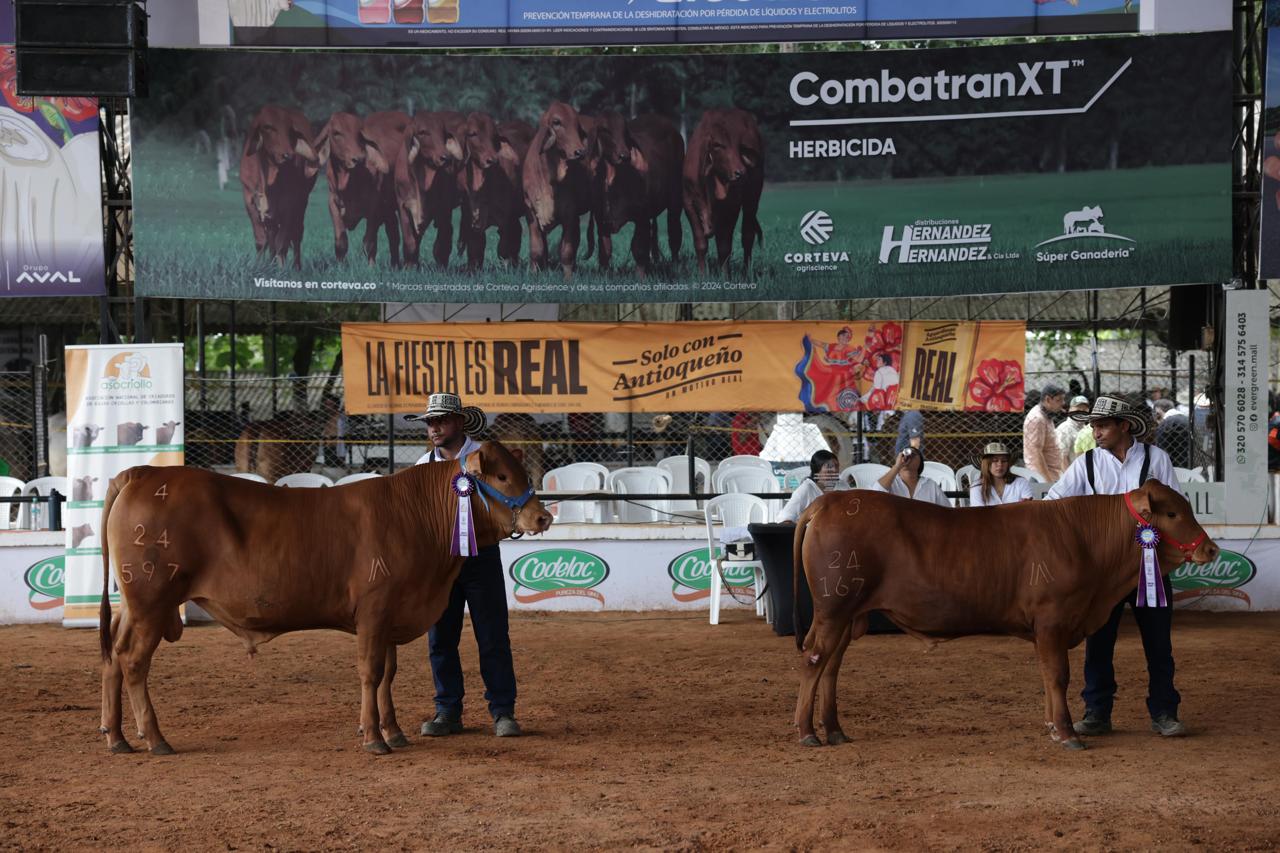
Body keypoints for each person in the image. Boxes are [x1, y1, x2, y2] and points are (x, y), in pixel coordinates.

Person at [1045, 395, 1185, 738]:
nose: (1096, 432)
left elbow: (1177, 508)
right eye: (1094, 426)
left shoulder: (1157, 459)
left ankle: (1164, 711)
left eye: (1103, 425)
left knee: (1158, 644)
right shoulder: (1086, 463)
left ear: (1124, 426)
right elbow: (1053, 503)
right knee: (1098, 643)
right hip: (1102, 574)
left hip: (1149, 567)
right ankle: (1097, 712)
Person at [411, 393, 521, 739]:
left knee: (493, 637)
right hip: (440, 563)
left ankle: (503, 711)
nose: (434, 428)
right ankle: (447, 710)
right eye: (430, 422)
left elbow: (508, 497)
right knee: (440, 639)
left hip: (481, 556)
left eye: (441, 420)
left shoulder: (486, 457)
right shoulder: (422, 466)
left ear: (460, 422)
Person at [873, 445, 952, 507]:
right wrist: (897, 467)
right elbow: (875, 494)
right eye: (904, 455)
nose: (908, 457)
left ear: (920, 463)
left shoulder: (930, 485)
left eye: (913, 454)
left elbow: (947, 510)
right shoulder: (891, 482)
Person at [778, 449, 840, 523]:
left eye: (836, 466)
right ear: (817, 469)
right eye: (829, 466)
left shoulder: (842, 485)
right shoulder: (806, 489)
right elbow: (785, 517)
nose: (834, 470)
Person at [1023, 383, 1066, 482]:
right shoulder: (1037, 419)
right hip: (1041, 478)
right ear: (1048, 400)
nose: (1063, 403)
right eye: (1059, 400)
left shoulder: (1046, 416)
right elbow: (1035, 453)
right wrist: (1047, 482)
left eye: (1063, 399)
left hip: (1049, 475)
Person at [968, 442, 1033, 506]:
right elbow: (978, 512)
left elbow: (1029, 507)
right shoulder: (977, 487)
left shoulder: (1021, 482)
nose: (1000, 464)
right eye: (995, 461)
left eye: (1004, 461)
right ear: (986, 464)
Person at [1153, 399, 1193, 468]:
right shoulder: (1188, 420)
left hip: (1173, 468)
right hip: (1189, 464)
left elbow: (1161, 451)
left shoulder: (1165, 423)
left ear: (1158, 412)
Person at [1055, 395, 1090, 466]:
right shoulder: (1064, 429)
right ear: (1070, 410)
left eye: (1084, 410)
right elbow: (1062, 458)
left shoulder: (1086, 428)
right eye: (1077, 410)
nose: (1080, 413)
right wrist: (1068, 473)